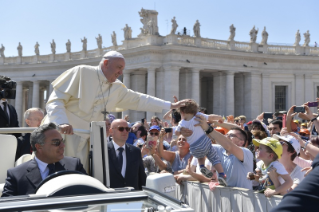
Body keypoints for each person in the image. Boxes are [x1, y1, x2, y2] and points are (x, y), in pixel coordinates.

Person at [43, 50, 186, 169]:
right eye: (118, 67)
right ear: (106, 63)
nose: (120, 72)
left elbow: (140, 99)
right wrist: (61, 122)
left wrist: (170, 106)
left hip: (88, 140)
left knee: (80, 176)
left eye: (122, 69)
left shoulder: (117, 88)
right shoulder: (82, 72)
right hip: (64, 135)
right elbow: (55, 100)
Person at [1, 123, 87, 197]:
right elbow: (7, 206)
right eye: (56, 142)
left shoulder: (74, 165)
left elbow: (90, 194)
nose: (62, 146)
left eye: (62, 141)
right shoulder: (16, 174)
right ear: (39, 147)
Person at [182, 114, 254, 189]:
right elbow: (201, 145)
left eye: (231, 135)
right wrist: (191, 130)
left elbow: (229, 145)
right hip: (224, 197)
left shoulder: (246, 152)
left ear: (241, 142)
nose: (226, 137)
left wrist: (208, 127)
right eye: (226, 135)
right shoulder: (220, 149)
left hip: (242, 199)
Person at [175, 99, 227, 185]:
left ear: (182, 112)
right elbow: (211, 117)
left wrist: (181, 131)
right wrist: (220, 118)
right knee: (214, 158)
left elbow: (176, 133)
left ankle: (202, 166)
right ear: (195, 111)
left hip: (193, 147)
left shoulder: (182, 123)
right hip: (204, 142)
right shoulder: (197, 116)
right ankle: (222, 174)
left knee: (200, 155)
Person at [107, 119, 146, 190]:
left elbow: (141, 178)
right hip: (110, 198)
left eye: (127, 129)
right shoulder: (103, 150)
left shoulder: (135, 151)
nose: (125, 131)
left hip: (132, 197)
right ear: (111, 131)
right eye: (121, 129)